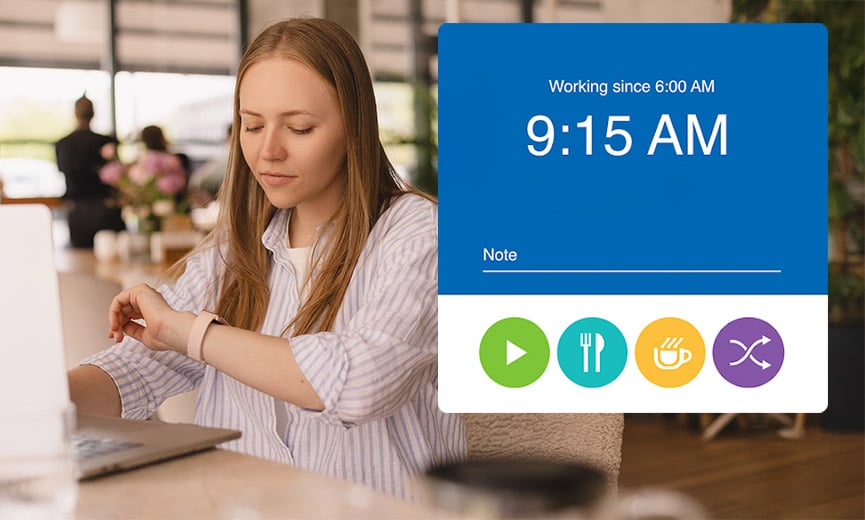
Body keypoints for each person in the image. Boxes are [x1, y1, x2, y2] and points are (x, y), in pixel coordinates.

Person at [67, 17, 465, 498]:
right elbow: (135, 369)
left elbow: (359, 381)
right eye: (252, 125)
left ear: (355, 128)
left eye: (299, 128)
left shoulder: (420, 233)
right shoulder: (235, 253)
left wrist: (188, 331)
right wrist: (37, 400)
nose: (267, 150)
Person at [55, 95, 124, 247]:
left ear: (75, 113)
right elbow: (117, 176)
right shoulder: (105, 142)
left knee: (80, 259)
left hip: (76, 211)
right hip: (106, 209)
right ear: (93, 113)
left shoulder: (63, 144)